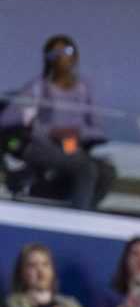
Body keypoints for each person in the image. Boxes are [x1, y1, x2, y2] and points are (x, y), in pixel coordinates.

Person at [3, 34, 112, 208]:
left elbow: (98, 129)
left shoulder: (84, 88)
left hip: (72, 145)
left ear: (75, 56)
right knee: (85, 167)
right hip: (42, 146)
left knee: (105, 171)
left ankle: (83, 209)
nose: (61, 57)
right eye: (54, 54)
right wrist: (51, 132)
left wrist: (78, 132)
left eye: (66, 51)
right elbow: (12, 120)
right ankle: (78, 217)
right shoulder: (38, 87)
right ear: (47, 59)